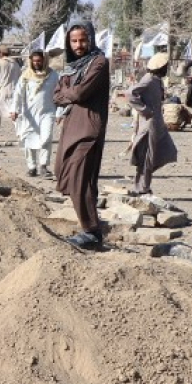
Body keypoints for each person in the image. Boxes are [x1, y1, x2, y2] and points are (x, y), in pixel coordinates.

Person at [53, 21, 110, 249]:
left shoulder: (99, 62)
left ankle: (91, 231)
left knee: (80, 178)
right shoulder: (72, 66)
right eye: (74, 41)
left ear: (91, 39)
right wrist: (70, 93)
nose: (78, 45)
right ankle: (90, 224)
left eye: (83, 40)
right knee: (64, 171)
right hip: (71, 126)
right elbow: (56, 96)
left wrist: (68, 93)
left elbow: (79, 93)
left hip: (88, 128)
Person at [126, 52, 177, 196]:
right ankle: (142, 187)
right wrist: (145, 110)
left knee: (166, 151)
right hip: (150, 124)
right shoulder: (148, 79)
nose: (166, 69)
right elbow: (130, 94)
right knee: (147, 156)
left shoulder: (157, 80)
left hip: (158, 123)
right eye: (165, 67)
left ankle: (142, 185)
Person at [9, 49, 59, 178]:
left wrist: (60, 112)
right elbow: (18, 94)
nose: (37, 63)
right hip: (29, 114)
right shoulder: (26, 76)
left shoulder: (53, 75)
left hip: (47, 112)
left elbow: (59, 94)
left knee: (46, 138)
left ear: (44, 61)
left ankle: (43, 166)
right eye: (34, 61)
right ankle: (31, 167)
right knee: (29, 139)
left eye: (39, 61)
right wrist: (14, 109)